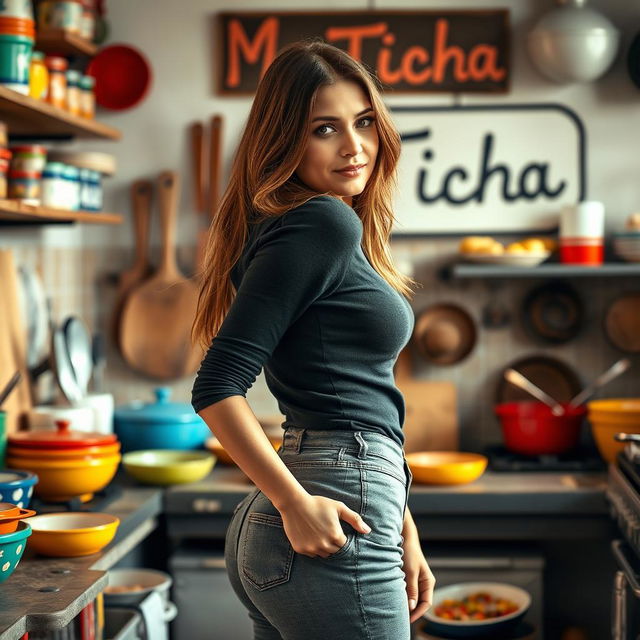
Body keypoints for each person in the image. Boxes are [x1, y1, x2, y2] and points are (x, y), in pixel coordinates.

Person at [191, 38, 436, 640]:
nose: (354, 147)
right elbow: (217, 387)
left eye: (364, 123)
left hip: (329, 499)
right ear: (283, 140)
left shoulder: (305, 224)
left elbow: (357, 399)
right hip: (325, 506)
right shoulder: (321, 222)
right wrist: (295, 504)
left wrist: (401, 524)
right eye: (325, 128)